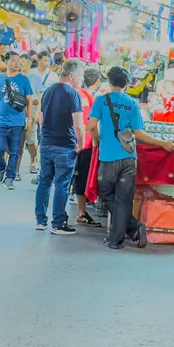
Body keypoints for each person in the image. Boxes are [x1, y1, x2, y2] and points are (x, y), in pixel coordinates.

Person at [90, 66, 171, 249]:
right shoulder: (133, 103)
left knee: (106, 195)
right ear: (126, 84)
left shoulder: (101, 100)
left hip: (108, 158)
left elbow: (91, 125)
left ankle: (127, 232)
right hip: (129, 157)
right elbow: (139, 132)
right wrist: (161, 142)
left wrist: (96, 139)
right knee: (123, 199)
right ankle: (131, 229)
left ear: (109, 82)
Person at [35, 59, 84, 236]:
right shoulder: (73, 94)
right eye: (80, 76)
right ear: (71, 76)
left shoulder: (48, 91)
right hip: (65, 145)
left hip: (47, 142)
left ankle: (40, 221)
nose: (81, 79)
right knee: (62, 184)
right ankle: (57, 224)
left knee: (44, 181)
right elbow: (78, 125)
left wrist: (45, 135)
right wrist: (81, 143)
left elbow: (40, 118)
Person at [0, 50, 34, 190]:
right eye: (14, 60)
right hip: (1, 120)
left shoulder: (24, 79)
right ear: (6, 61)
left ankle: (10, 178)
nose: (17, 63)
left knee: (15, 151)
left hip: (17, 121)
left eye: (18, 60)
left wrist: (29, 118)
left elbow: (29, 101)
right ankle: (1, 168)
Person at [73, 66, 104, 229]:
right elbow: (91, 124)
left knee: (76, 177)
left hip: (75, 143)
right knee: (81, 178)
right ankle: (82, 213)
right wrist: (96, 139)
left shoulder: (75, 94)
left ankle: (80, 210)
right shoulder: (88, 97)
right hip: (84, 144)